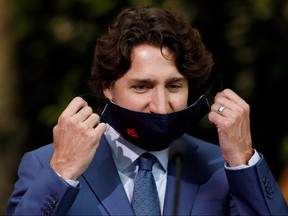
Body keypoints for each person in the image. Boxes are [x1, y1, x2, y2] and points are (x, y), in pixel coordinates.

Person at [6, 5, 288, 216]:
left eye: (175, 86)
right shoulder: (45, 164)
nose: (161, 106)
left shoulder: (221, 167)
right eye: (142, 87)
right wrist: (64, 170)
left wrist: (242, 161)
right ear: (107, 87)